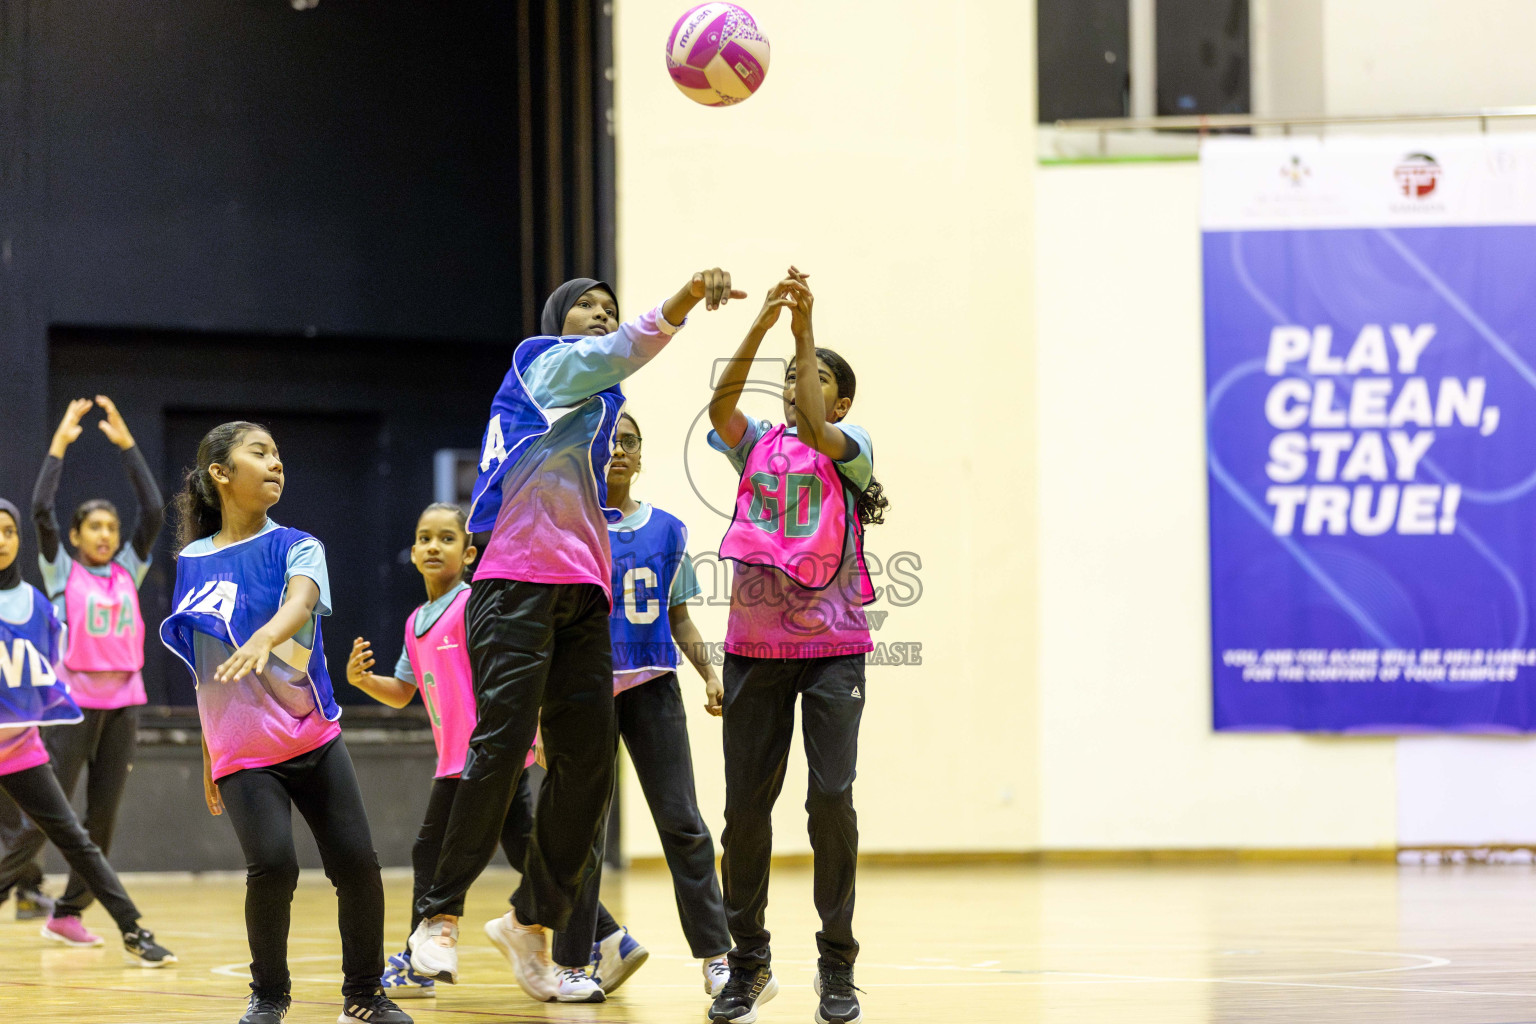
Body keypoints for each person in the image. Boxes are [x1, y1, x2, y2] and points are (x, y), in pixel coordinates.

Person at [407, 268, 743, 1003]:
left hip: (583, 597)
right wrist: (685, 298)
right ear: (560, 321)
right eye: (586, 306)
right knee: (497, 751)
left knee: (589, 772)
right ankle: (438, 916)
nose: (600, 314)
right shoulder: (539, 361)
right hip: (514, 584)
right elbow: (626, 345)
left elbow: (616, 370)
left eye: (608, 306)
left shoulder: (599, 406)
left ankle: (533, 924)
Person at [160, 421, 409, 1024]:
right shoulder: (192, 560)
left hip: (311, 735)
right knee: (273, 865)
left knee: (357, 865)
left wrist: (266, 637)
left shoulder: (299, 545)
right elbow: (203, 670)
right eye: (260, 454)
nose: (276, 464)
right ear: (221, 474)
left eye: (278, 456)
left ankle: (366, 995)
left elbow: (300, 600)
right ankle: (269, 996)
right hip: (242, 749)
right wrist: (208, 756)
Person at [705, 269, 887, 1024]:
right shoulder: (754, 447)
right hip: (754, 646)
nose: (795, 385)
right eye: (790, 378)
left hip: (832, 645)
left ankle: (837, 965)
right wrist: (764, 331)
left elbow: (815, 426)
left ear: (840, 401)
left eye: (812, 379)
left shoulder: (849, 447)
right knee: (746, 814)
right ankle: (747, 963)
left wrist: (806, 330)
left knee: (829, 801)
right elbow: (720, 405)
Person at [346, 502, 621, 1004]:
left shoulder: (477, 604)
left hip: (488, 758)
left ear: (470, 553)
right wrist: (365, 682)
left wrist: (533, 732)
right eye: (424, 538)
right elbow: (405, 689)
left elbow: (517, 679)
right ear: (411, 552)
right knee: (526, 850)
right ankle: (607, 933)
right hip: (456, 758)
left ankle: (416, 962)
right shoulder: (415, 621)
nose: (434, 546)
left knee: (431, 851)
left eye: (446, 538)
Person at [562, 410, 733, 1000]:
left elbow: (679, 615)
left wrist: (710, 672)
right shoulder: (570, 529)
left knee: (682, 821)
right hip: (585, 693)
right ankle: (576, 961)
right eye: (607, 441)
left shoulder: (669, 530)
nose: (618, 450)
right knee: (583, 830)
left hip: (655, 687)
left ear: (641, 454)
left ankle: (716, 957)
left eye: (628, 441)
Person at [0, 396, 163, 947]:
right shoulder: (60, 570)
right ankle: (17, 884)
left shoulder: (128, 570)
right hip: (70, 707)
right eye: (93, 527)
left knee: (103, 819)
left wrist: (126, 446)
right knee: (44, 819)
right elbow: (41, 510)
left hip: (125, 704)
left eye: (110, 527)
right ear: (75, 537)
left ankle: (69, 912)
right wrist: (61, 442)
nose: (104, 534)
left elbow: (155, 512)